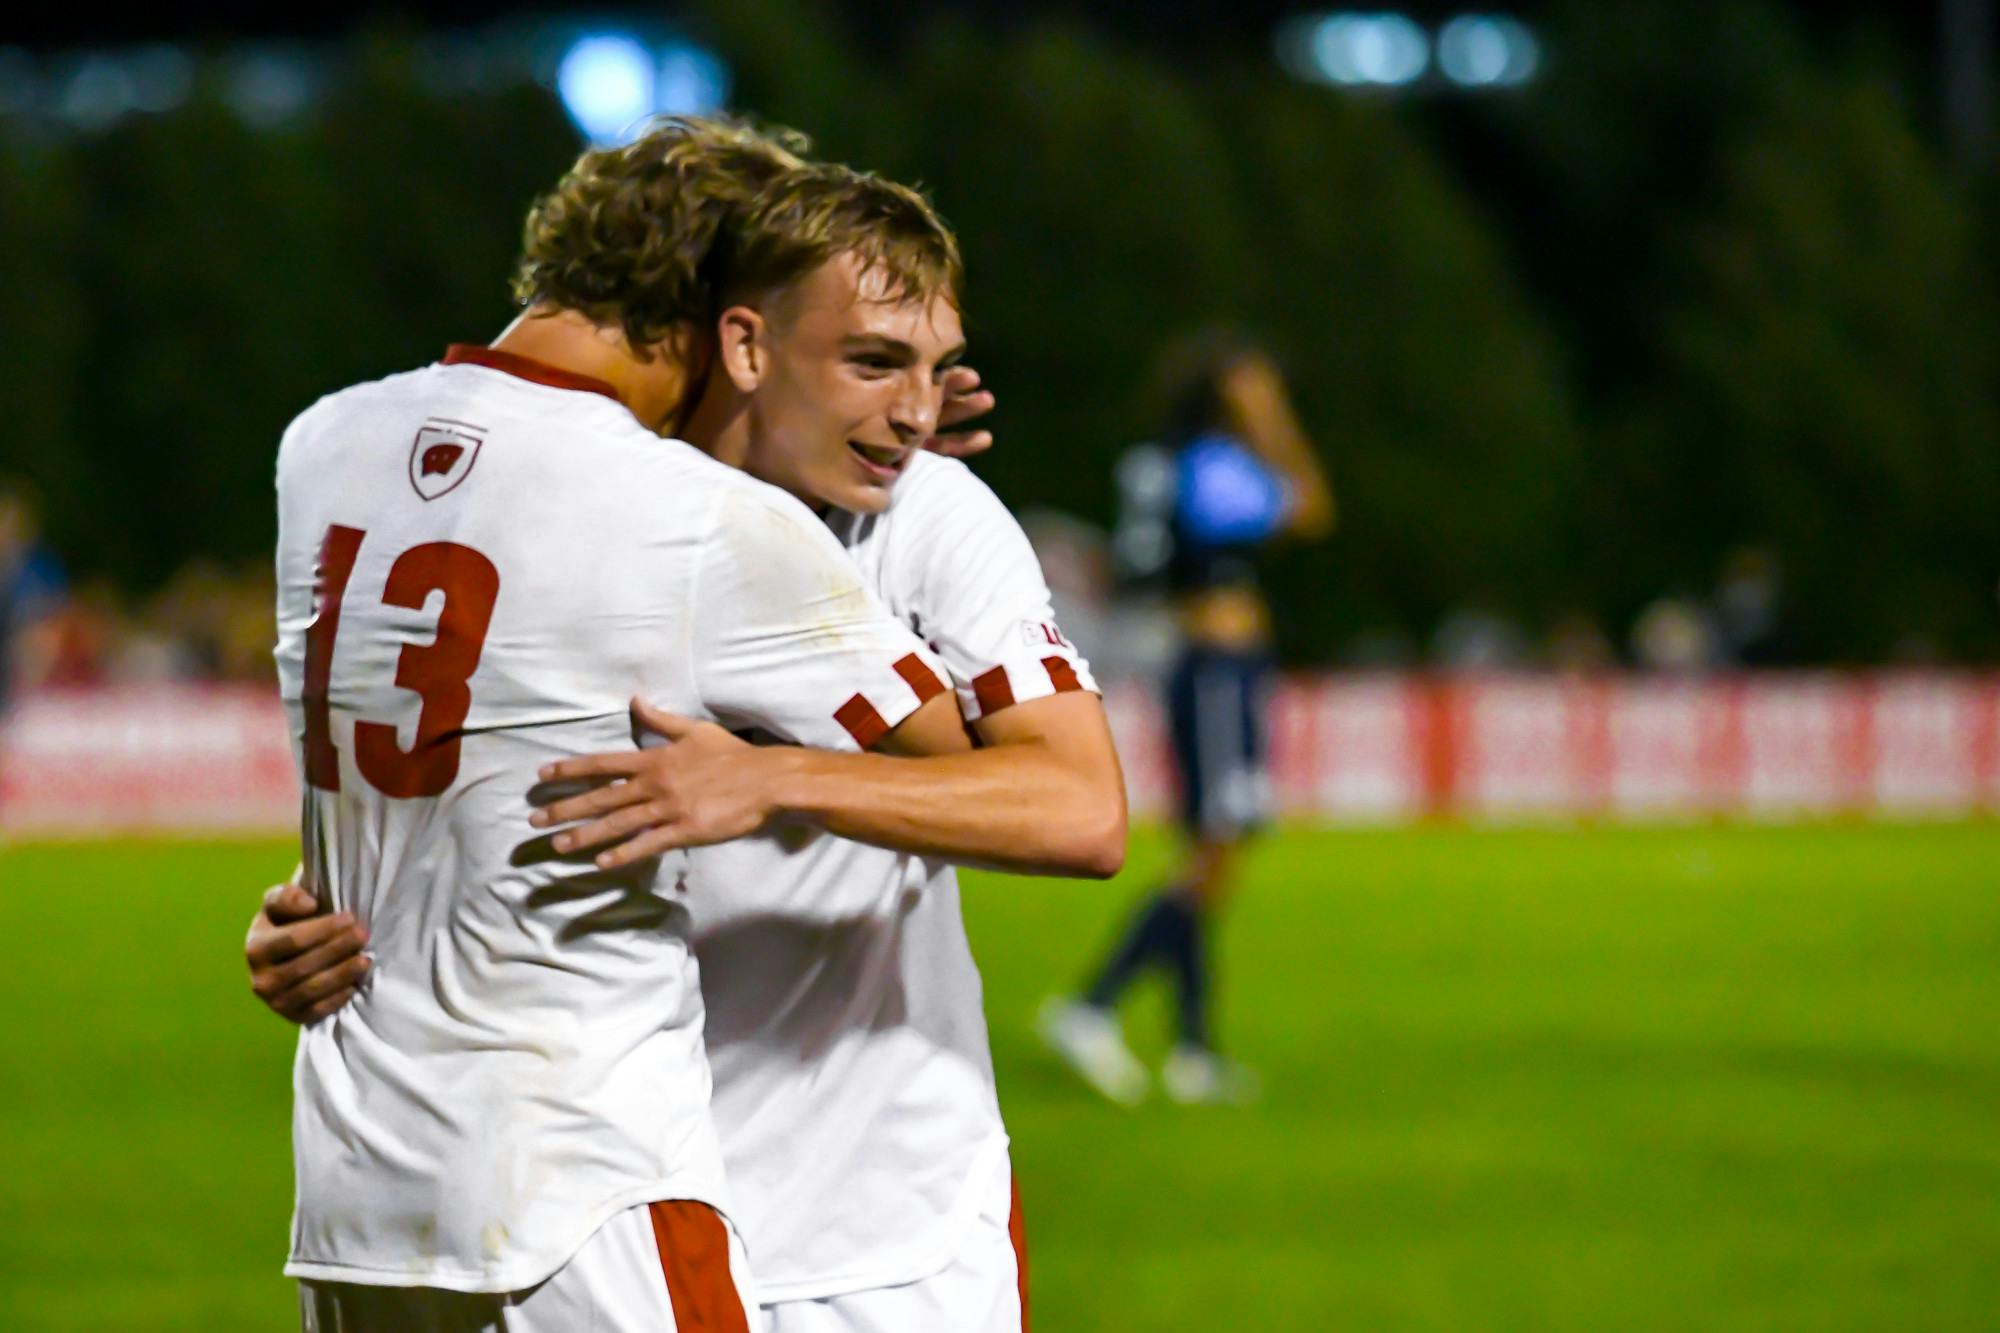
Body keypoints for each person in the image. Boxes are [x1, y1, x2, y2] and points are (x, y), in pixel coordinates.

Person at [254, 120, 1127, 1333]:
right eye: (870, 360)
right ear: (736, 330)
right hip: (628, 1196)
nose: (913, 414)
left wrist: (779, 778)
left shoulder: (927, 519)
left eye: (928, 370)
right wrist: (332, 900)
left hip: (880, 1226)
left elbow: (1077, 808)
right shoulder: (622, 505)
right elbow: (469, 757)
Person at [1041, 330, 1333, 1105]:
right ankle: (1090, 1006)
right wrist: (1275, 427)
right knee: (1213, 854)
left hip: (1228, 669)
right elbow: (1308, 508)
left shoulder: (1207, 463)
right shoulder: (1208, 465)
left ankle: (1193, 1049)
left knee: (1212, 857)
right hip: (1210, 669)